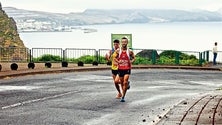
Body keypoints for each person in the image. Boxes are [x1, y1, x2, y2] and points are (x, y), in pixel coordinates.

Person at [114, 37, 136, 102]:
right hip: (120, 68)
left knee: (125, 81)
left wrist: (131, 61)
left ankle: (123, 96)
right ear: (121, 43)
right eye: (123, 42)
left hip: (127, 68)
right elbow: (114, 58)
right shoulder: (118, 50)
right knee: (121, 82)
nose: (124, 43)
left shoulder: (130, 51)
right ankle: (125, 87)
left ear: (127, 43)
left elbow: (134, 58)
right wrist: (118, 62)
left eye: (125, 42)